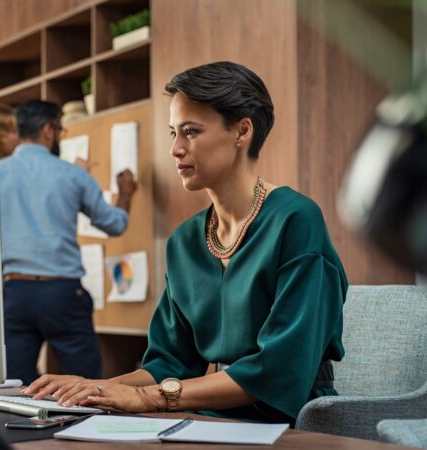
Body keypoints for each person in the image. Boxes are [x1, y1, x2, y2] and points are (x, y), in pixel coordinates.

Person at [22, 62, 347, 425]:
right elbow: (169, 362)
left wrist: (146, 398)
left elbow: (278, 369)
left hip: (295, 419)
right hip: (214, 415)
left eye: (191, 132)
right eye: (174, 132)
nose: (176, 148)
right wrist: (94, 389)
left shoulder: (296, 220)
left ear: (242, 131)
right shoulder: (186, 241)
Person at [0, 99, 136, 385]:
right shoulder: (72, 175)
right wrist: (125, 194)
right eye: (60, 130)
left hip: (14, 292)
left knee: (14, 387)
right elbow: (114, 223)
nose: (60, 136)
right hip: (61, 293)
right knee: (83, 385)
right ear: (48, 131)